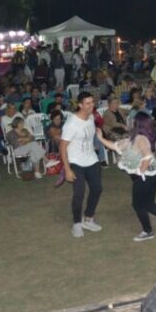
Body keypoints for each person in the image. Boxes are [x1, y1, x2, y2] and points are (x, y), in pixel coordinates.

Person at [104, 115, 156, 241]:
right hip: (153, 175)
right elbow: (116, 146)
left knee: (139, 204)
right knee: (148, 203)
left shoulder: (140, 138)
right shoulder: (139, 136)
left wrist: (140, 172)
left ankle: (150, 230)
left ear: (138, 124)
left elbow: (147, 157)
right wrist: (100, 138)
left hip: (145, 177)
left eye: (134, 121)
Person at [61, 92, 103, 238]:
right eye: (87, 103)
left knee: (97, 189)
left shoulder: (91, 117)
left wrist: (99, 135)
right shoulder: (71, 123)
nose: (91, 105)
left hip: (91, 160)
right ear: (80, 105)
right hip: (76, 162)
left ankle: (88, 218)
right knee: (79, 193)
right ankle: (77, 223)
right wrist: (67, 169)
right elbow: (62, 146)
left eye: (92, 102)